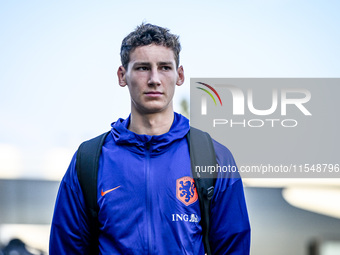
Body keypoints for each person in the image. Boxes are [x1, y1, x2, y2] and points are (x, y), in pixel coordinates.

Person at [49, 23, 251, 254]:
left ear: (180, 75)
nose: (154, 79)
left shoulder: (214, 157)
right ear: (122, 75)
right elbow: (65, 248)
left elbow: (233, 247)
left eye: (165, 67)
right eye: (143, 68)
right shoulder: (88, 161)